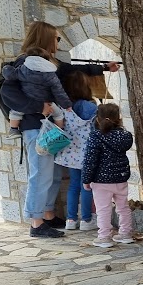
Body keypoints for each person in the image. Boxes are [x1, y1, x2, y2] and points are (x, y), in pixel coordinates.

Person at [9, 21, 119, 239]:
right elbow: (9, 93)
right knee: (40, 175)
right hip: (35, 127)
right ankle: (36, 222)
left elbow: (74, 69)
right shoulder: (24, 63)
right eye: (56, 38)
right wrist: (39, 107)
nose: (58, 42)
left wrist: (105, 67)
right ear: (46, 38)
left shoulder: (50, 64)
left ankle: (48, 215)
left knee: (53, 175)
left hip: (49, 127)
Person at [82, 103, 135, 248]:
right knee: (123, 207)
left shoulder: (95, 137)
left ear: (97, 119)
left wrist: (86, 179)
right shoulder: (125, 136)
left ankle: (104, 237)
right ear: (118, 118)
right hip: (120, 178)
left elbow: (90, 160)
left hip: (101, 181)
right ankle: (125, 233)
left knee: (103, 209)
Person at [54, 72, 98, 231]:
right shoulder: (91, 107)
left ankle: (71, 219)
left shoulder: (63, 107)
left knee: (73, 185)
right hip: (87, 153)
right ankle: (86, 219)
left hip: (71, 153)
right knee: (87, 186)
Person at [0, 47, 70, 136]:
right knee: (58, 114)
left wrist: (6, 68)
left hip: (28, 101)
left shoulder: (23, 69)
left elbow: (11, 74)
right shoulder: (51, 74)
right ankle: (59, 132)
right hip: (47, 103)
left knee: (15, 112)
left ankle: (13, 129)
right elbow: (59, 91)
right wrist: (66, 105)